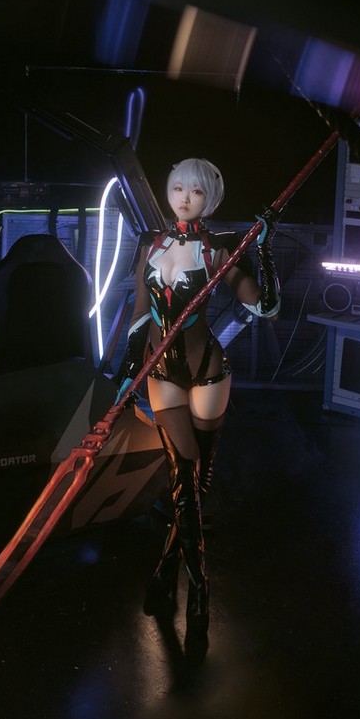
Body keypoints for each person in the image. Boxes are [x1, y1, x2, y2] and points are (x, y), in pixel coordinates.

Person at [123, 157, 280, 659]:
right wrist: (128, 371)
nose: (184, 197)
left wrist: (263, 249)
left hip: (208, 371)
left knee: (193, 482)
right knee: (184, 479)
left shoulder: (216, 250)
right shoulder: (150, 244)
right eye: (177, 188)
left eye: (195, 191)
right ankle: (196, 589)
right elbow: (138, 313)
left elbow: (265, 307)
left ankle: (176, 580)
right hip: (160, 373)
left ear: (209, 198)